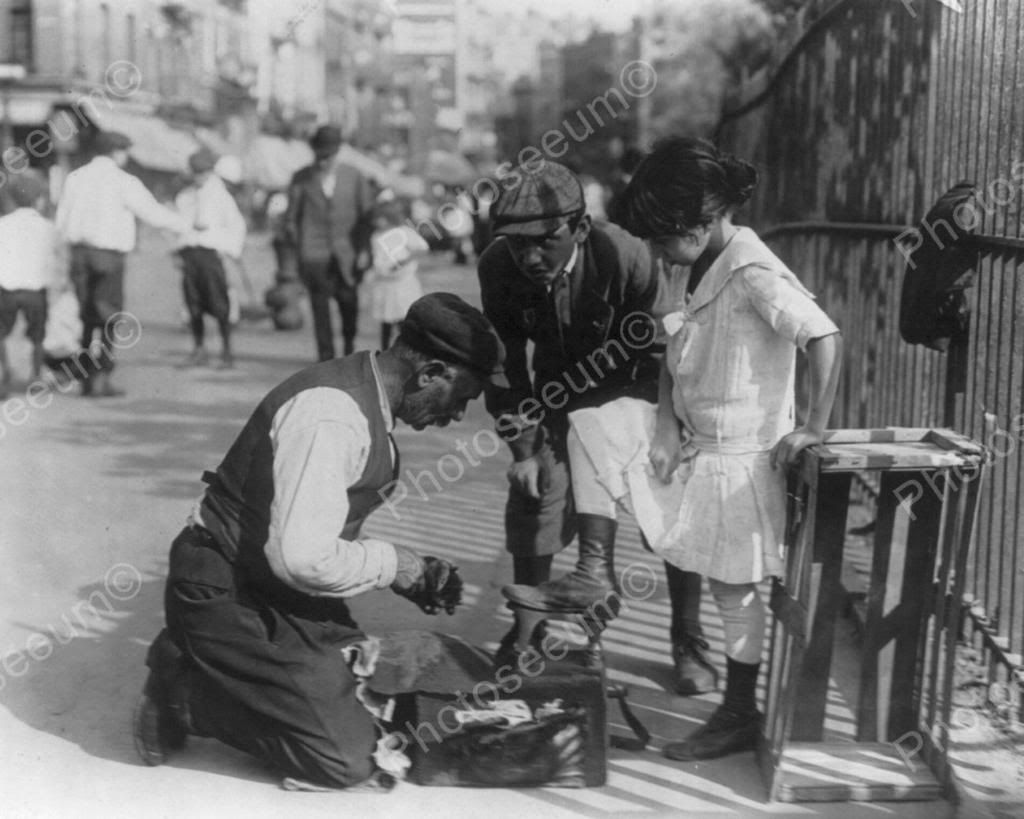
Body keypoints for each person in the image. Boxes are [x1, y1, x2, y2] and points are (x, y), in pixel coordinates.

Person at [133, 292, 507, 788]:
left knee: (372, 692)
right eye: (462, 396)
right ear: (431, 372)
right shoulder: (332, 416)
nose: (459, 414)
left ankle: (231, 670)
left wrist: (409, 573)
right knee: (344, 758)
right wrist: (396, 566)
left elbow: (312, 536)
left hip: (272, 587)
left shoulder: (365, 397)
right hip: (223, 589)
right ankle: (182, 692)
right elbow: (304, 559)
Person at [608, 136, 842, 760]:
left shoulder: (752, 271)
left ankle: (740, 711)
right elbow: (675, 343)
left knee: (735, 589)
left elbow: (822, 337)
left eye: (662, 238)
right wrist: (663, 422)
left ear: (699, 222)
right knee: (723, 585)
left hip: (745, 457)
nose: (658, 251)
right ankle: (738, 707)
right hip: (705, 450)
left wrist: (813, 425)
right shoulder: (709, 264)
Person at [478, 161, 714, 694]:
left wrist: (667, 431)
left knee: (669, 505)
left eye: (545, 241)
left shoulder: (625, 254)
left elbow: (667, 352)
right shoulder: (499, 267)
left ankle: (688, 638)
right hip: (557, 398)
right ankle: (528, 634)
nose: (531, 257)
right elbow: (505, 365)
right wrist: (523, 449)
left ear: (579, 229)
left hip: (637, 392)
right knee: (536, 496)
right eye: (518, 246)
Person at [55, 130, 188, 397]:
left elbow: (62, 218)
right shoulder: (124, 180)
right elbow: (152, 213)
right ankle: (102, 376)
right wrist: (186, 224)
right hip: (108, 256)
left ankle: (84, 375)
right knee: (108, 316)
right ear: (116, 152)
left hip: (79, 253)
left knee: (85, 314)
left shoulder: (74, 178)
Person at [285, 124, 375, 361]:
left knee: (348, 301)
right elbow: (291, 218)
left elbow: (368, 217)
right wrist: (299, 250)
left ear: (337, 153)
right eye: (319, 155)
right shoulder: (301, 178)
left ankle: (348, 347)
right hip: (314, 253)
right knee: (319, 306)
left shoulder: (354, 176)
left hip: (348, 253)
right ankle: (325, 356)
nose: (323, 161)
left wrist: (365, 249)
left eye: (328, 156)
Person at [173, 147, 247, 369]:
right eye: (196, 173)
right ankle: (199, 349)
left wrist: (229, 250)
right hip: (190, 254)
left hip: (211, 254)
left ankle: (226, 351)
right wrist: (178, 249)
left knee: (219, 302)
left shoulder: (221, 196)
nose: (200, 177)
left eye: (204, 172)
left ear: (211, 172)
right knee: (193, 303)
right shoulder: (184, 197)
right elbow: (175, 225)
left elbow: (236, 225)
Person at [0, 171, 63, 399]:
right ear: (39, 199)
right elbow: (55, 260)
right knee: (37, 336)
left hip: (6, 289)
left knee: (1, 333)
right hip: (35, 290)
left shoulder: (3, 224)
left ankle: (4, 373)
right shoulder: (47, 227)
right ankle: (35, 377)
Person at [366, 196, 428, 350]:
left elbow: (421, 248)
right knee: (385, 320)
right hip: (384, 282)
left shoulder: (403, 232)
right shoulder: (376, 236)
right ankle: (385, 349)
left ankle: (410, 348)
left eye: (381, 218)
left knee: (403, 319)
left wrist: (404, 261)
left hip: (402, 283)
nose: (377, 222)